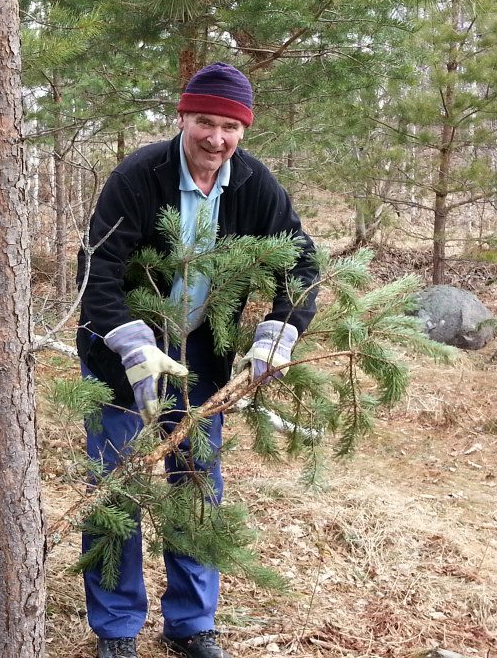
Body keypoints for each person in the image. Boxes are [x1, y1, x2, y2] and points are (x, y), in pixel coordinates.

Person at [75, 63, 319, 658]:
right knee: (117, 486)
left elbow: (302, 264)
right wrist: (131, 346)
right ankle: (116, 628)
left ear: (243, 130)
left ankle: (190, 622)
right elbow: (97, 268)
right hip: (119, 359)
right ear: (182, 119)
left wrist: (277, 333)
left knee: (195, 484)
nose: (216, 138)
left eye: (230, 126)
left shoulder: (255, 182)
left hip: (202, 357)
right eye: (204, 122)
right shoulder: (140, 175)